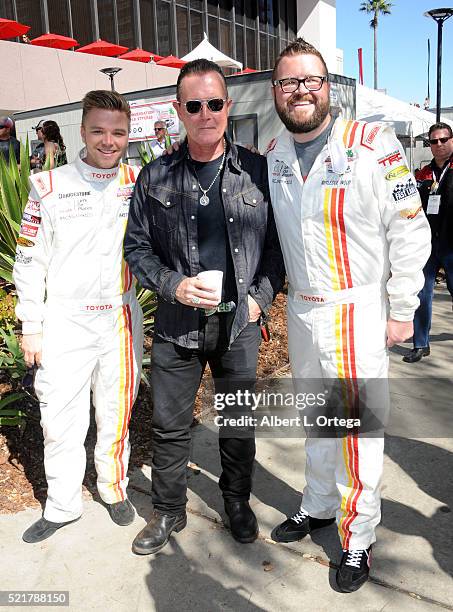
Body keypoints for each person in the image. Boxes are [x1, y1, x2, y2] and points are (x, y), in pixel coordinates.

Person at [266, 39, 431, 593]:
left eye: (311, 80)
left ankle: (357, 537)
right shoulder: (274, 157)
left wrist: (404, 307)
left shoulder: (373, 144)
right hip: (304, 312)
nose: (301, 91)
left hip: (356, 310)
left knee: (358, 431)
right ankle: (315, 504)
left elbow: (410, 227)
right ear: (276, 92)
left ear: (328, 87)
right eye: (289, 82)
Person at [124, 58, 284, 556]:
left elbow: (280, 249)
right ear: (178, 110)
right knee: (170, 427)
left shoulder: (257, 171)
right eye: (194, 105)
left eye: (214, 103)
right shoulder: (155, 177)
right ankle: (169, 511)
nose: (205, 113)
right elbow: (136, 248)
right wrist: (172, 286)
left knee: (237, 425)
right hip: (177, 325)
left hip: (239, 326)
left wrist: (259, 301)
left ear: (227, 106)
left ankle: (237, 502)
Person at [13, 90, 144, 543]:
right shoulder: (47, 186)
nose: (108, 141)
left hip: (121, 318)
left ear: (128, 134)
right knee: (60, 418)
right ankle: (63, 504)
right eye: (98, 131)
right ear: (82, 131)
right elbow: (29, 259)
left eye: (118, 132)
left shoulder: (140, 181)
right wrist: (30, 325)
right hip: (65, 320)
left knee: (115, 412)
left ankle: (112, 489)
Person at [403, 122, 453, 363]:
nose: (439, 145)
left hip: (452, 244)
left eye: (444, 140)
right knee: (422, 294)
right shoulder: (422, 174)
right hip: (427, 245)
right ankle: (420, 344)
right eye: (434, 141)